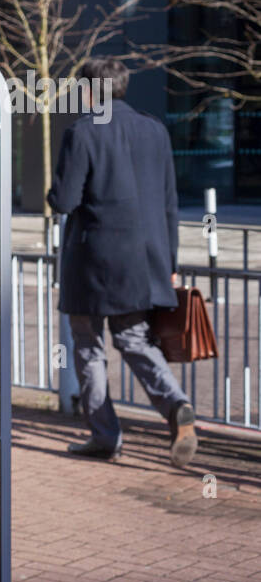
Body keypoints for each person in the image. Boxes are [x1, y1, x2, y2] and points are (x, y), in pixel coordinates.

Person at [46, 57, 197, 467]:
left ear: (91, 91)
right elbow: (170, 204)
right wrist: (170, 261)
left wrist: (54, 189)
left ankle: (105, 437)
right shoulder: (155, 130)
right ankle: (176, 405)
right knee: (134, 341)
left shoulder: (81, 132)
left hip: (93, 264)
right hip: (146, 261)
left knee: (89, 349)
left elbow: (65, 200)